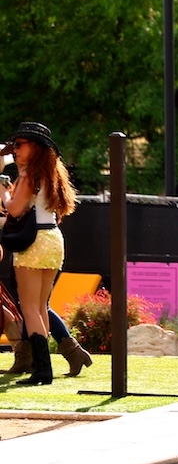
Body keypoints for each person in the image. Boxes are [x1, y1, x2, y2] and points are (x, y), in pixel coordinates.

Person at [0, 122, 80, 385]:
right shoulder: (52, 175)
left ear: (35, 147)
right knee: (41, 307)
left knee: (30, 308)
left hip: (33, 245)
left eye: (19, 145)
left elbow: (14, 209)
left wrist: (2, 190)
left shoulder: (29, 176)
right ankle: (43, 368)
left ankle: (42, 370)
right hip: (53, 240)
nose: (15, 150)